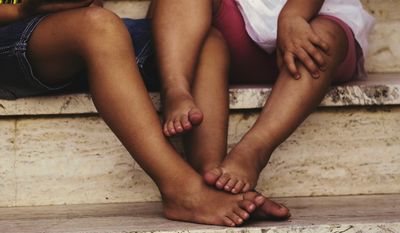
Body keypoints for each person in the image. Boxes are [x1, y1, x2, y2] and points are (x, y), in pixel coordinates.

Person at [0, 0, 290, 226]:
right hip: (15, 31)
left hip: (64, 32)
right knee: (98, 26)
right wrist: (24, 9)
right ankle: (180, 190)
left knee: (205, 40)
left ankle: (211, 181)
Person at [151, 0, 374, 194]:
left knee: (324, 38)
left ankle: (253, 150)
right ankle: (176, 89)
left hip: (312, 24)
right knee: (200, 38)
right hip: (236, 33)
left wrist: (293, 14)